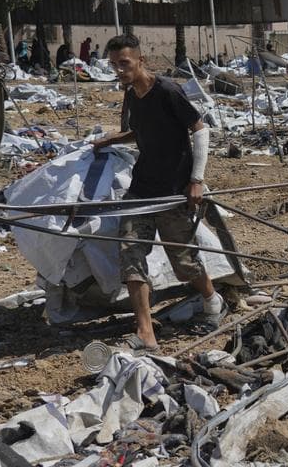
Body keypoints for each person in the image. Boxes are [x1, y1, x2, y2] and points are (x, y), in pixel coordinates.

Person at [91, 34, 223, 351]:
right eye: (114, 65)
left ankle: (212, 300)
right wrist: (110, 140)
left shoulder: (167, 91)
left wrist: (197, 180)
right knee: (131, 255)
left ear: (140, 61)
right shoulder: (132, 95)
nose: (120, 70)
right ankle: (146, 332)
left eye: (125, 63)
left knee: (184, 263)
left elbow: (199, 129)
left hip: (173, 190)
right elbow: (141, 131)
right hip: (142, 190)